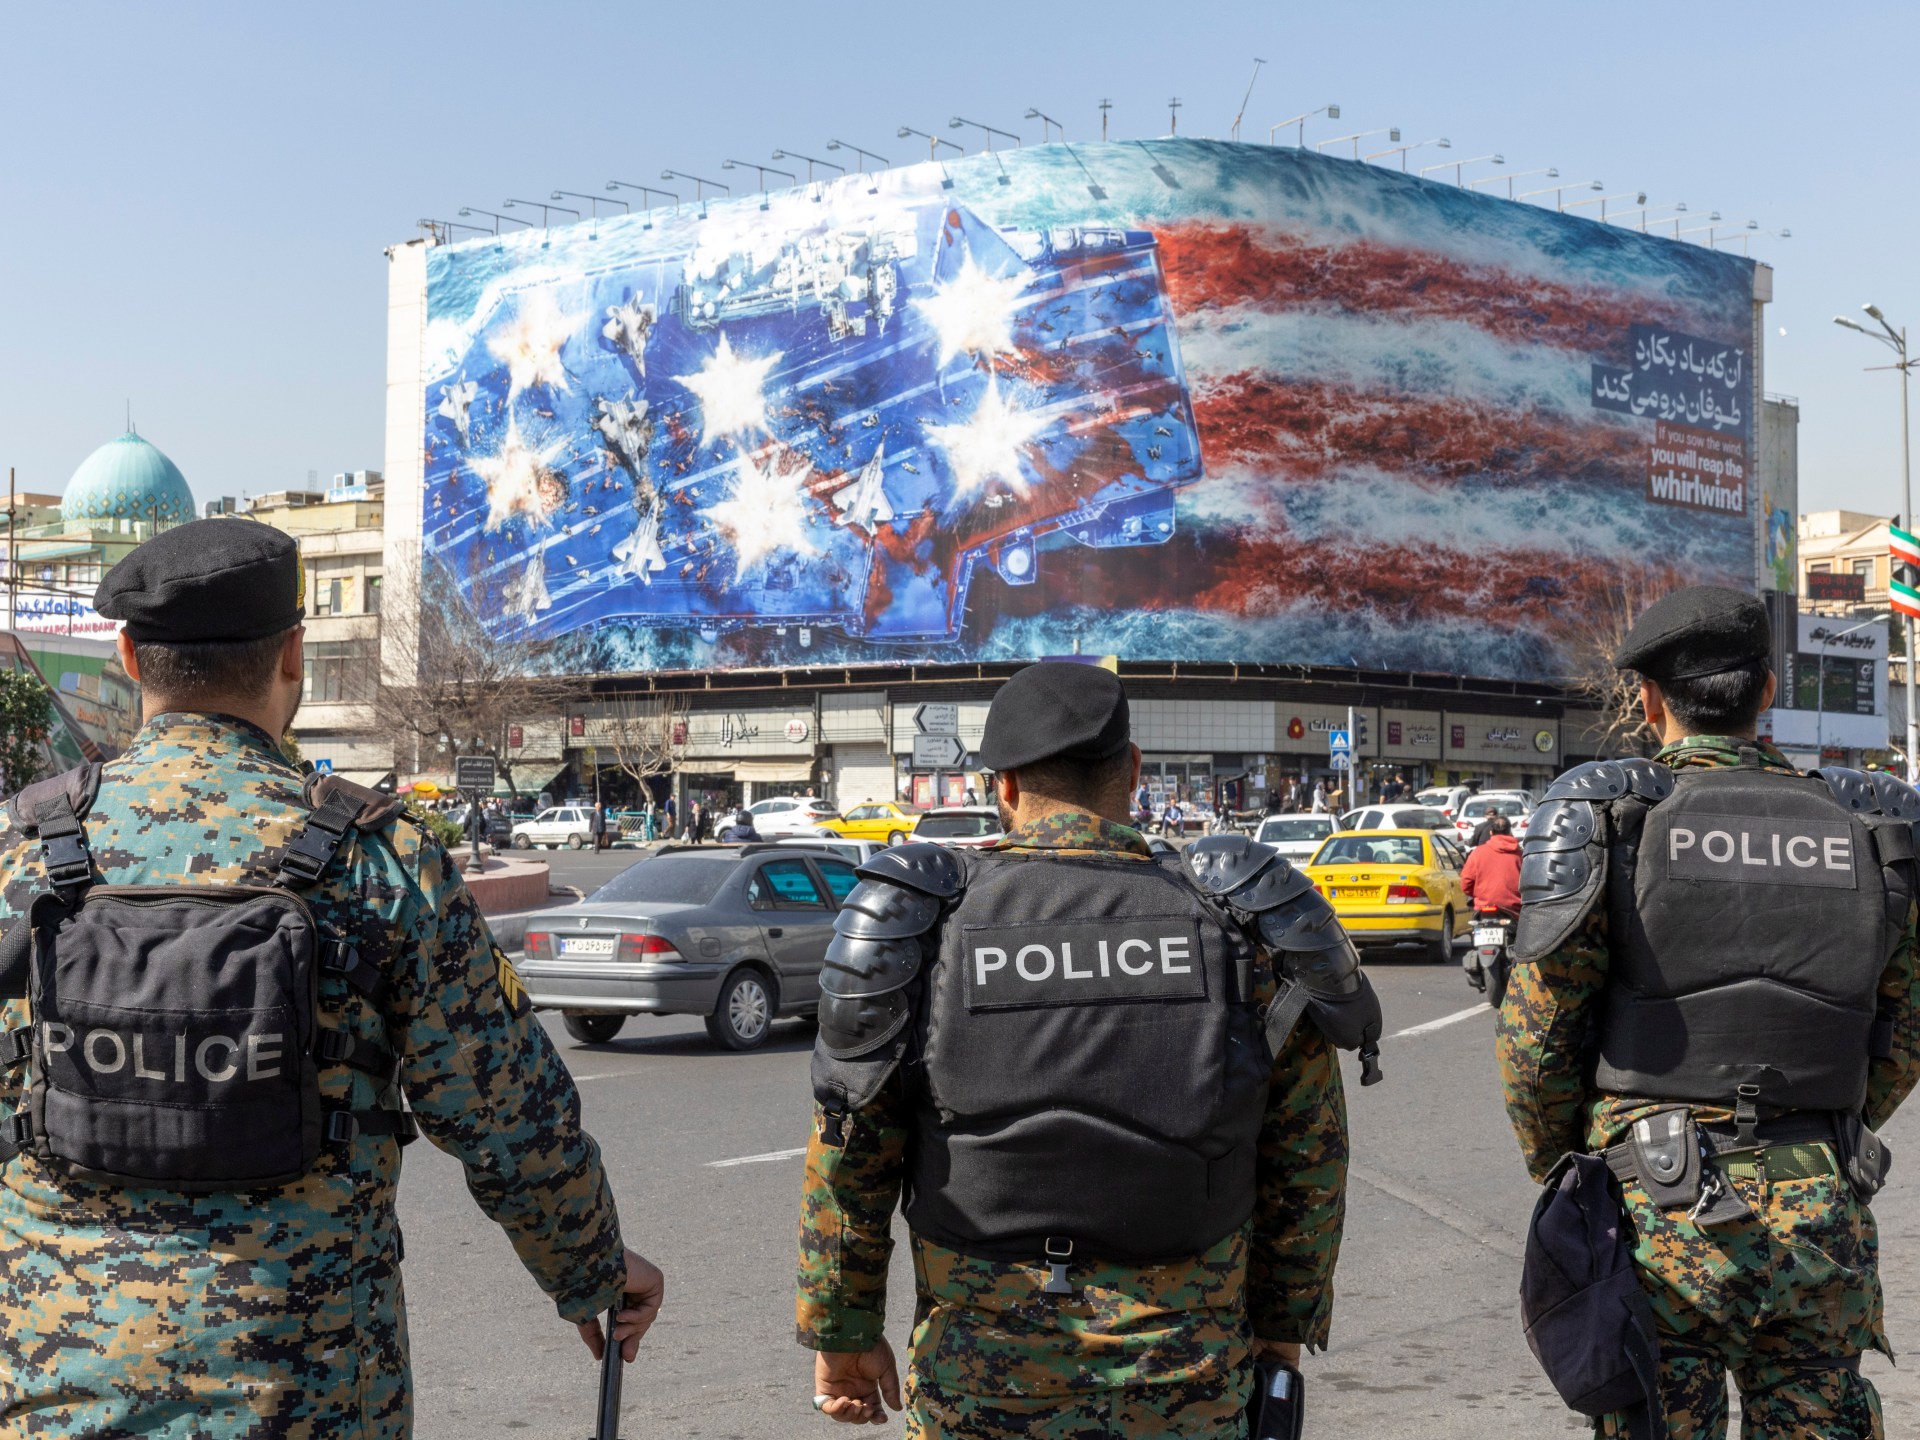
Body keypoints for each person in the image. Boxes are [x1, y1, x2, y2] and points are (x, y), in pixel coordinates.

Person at [0, 520, 663, 1435]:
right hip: (304, 1388)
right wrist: (591, 1267)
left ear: (125, 655)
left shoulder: (26, 852)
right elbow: (508, 1115)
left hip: (55, 1383)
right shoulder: (376, 862)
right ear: (293, 658)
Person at [796, 661, 1381, 1436]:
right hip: (1189, 1386)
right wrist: (1281, 1330)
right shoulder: (1238, 929)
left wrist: (843, 1335)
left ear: (1002, 786)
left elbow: (850, 1153)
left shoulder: (925, 931)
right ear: (1132, 772)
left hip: (982, 1390)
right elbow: (1308, 1160)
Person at [1499, 584, 1918, 1439]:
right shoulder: (1868, 827)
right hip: (1820, 1207)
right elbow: (1903, 1032)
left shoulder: (1612, 822)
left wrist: (1577, 1162)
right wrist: (1819, 1128)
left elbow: (1536, 1044)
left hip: (1657, 1214)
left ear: (1649, 701)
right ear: (1768, 692)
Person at [1460, 812, 1521, 916]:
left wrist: (1479, 895)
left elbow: (1466, 882)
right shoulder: (1519, 855)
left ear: (1491, 833)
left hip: (1483, 907)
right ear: (1510, 832)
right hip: (1513, 908)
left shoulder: (1477, 853)